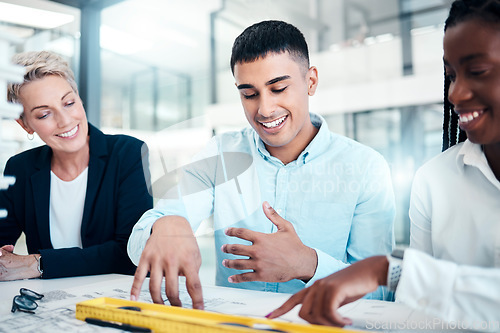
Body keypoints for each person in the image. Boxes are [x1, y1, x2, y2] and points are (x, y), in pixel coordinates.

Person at [128, 20, 396, 309]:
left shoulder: (365, 167)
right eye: (249, 94)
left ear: (311, 82)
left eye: (278, 88)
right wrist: (167, 226)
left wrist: (308, 264)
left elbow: (380, 294)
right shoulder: (221, 153)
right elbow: (138, 240)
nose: (265, 109)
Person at [267, 0, 500, 328]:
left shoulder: (365, 167)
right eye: (450, 75)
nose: (456, 93)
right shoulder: (435, 179)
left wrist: (384, 269)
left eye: (477, 72)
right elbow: (413, 311)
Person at [0, 51, 152, 280]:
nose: (65, 120)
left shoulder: (128, 154)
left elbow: (130, 251)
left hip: (116, 299)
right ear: (25, 125)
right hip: (48, 303)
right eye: (44, 114)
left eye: (69, 103)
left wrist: (37, 263)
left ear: (79, 99)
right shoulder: (20, 168)